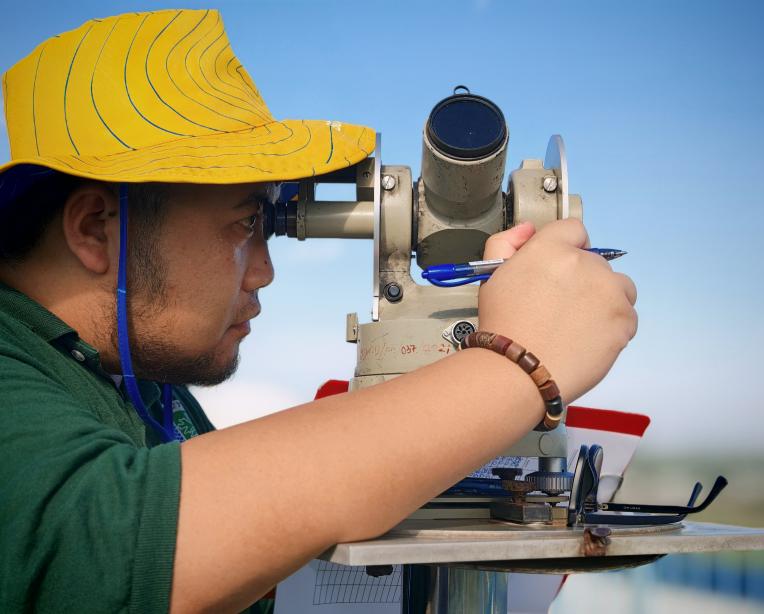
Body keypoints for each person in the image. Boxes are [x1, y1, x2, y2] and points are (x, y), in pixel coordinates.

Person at [0, 9, 637, 614]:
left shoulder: (140, 388)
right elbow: (119, 552)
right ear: (93, 229)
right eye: (245, 224)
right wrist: (519, 364)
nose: (264, 270)